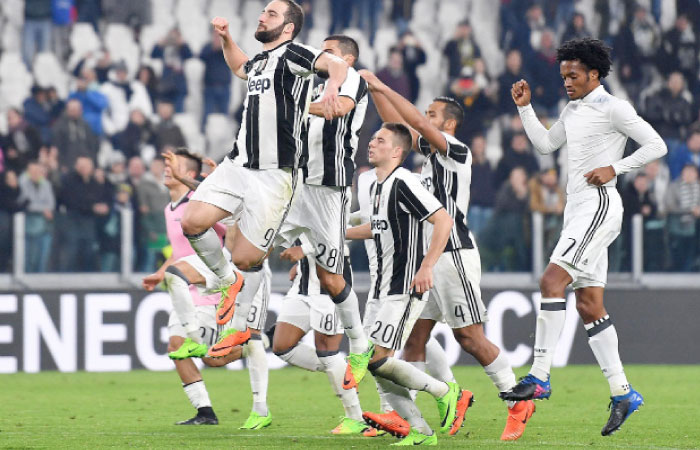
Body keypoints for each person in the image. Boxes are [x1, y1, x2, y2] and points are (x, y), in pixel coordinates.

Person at [503, 38, 667, 436]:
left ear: (594, 73)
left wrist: (615, 167)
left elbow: (656, 144)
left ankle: (540, 373)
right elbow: (545, 146)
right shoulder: (573, 109)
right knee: (590, 305)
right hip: (577, 209)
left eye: (573, 75)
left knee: (550, 281)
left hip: (597, 205)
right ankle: (623, 392)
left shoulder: (614, 108)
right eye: (563, 76)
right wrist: (525, 109)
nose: (567, 82)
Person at [359, 69, 535, 441]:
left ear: (449, 124)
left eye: (433, 115)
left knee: (468, 338)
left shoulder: (457, 151)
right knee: (413, 340)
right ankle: (405, 418)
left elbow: (414, 121)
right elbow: (397, 124)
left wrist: (383, 84)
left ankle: (516, 400)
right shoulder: (426, 159)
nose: (426, 119)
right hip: (426, 261)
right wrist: (376, 90)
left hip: (453, 255)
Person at [179, 1, 352, 371]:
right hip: (238, 162)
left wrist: (331, 88)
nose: (262, 16)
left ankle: (237, 298)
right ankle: (228, 283)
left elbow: (336, 64)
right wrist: (226, 38)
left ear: (288, 28)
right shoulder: (259, 61)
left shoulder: (294, 55)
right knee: (192, 221)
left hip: (275, 175)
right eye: (263, 11)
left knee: (246, 257)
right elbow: (240, 66)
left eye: (271, 14)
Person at [346, 123, 469, 446]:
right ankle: (421, 432)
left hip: (403, 288)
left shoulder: (403, 182)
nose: (371, 143)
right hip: (381, 289)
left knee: (377, 360)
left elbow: (442, 219)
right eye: (372, 139)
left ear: (397, 151)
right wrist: (340, 233)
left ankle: (446, 391)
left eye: (380, 140)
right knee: (375, 366)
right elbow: (378, 227)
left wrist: (427, 266)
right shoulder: (378, 186)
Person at [143, 149, 273, 428]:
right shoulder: (170, 209)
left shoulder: (199, 201)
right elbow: (177, 252)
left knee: (212, 357)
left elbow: (227, 236)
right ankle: (205, 412)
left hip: (207, 284)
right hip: (184, 283)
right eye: (165, 165)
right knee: (177, 350)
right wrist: (159, 273)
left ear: (189, 173)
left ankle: (258, 342)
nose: (166, 169)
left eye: (172, 165)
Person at [271, 34, 372, 390]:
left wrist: (287, 105)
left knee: (331, 285)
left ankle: (360, 351)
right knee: (248, 242)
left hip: (330, 187)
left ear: (345, 57)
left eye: (327, 52)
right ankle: (241, 319)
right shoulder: (313, 86)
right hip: (301, 185)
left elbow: (336, 109)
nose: (320, 56)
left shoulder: (352, 80)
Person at [272, 240, 379, 436]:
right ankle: (345, 370)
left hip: (328, 287)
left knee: (327, 352)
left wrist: (304, 250)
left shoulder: (330, 208)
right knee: (282, 346)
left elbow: (334, 234)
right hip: (302, 285)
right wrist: (303, 260)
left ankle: (356, 418)